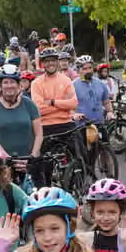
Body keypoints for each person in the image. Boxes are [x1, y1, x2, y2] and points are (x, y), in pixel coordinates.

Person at [28, 49, 81, 188]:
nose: (50, 63)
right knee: (42, 163)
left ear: (57, 62)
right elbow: (38, 109)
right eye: (47, 61)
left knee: (80, 155)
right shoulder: (36, 83)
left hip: (66, 123)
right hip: (46, 126)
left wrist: (51, 102)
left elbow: (74, 103)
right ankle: (44, 189)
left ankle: (80, 184)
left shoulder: (66, 80)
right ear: (42, 64)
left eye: (53, 60)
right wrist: (63, 105)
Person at [0, 64, 42, 162]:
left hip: (28, 160)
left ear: (19, 85)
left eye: (12, 82)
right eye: (5, 82)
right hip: (3, 161)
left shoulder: (28, 104)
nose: (9, 86)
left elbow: (39, 134)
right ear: (0, 86)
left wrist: (33, 156)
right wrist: (7, 158)